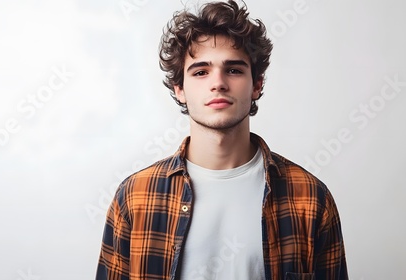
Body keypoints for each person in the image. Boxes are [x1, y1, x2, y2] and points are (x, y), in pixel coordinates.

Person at [96, 0, 348, 279]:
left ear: (257, 85)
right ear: (180, 88)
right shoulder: (135, 196)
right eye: (201, 72)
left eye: (234, 70)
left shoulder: (310, 198)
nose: (218, 82)